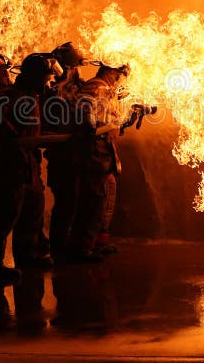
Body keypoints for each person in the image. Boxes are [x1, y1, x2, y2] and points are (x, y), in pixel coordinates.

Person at [0, 53, 59, 280]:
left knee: (33, 211)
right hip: (6, 169)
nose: (46, 82)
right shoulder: (9, 97)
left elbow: (33, 134)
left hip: (27, 168)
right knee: (2, 216)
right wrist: (8, 136)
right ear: (32, 76)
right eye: (44, 77)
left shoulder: (32, 98)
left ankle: (28, 256)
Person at [67, 63, 129, 262]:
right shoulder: (95, 87)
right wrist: (91, 124)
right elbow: (86, 117)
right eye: (120, 74)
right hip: (94, 154)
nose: (121, 79)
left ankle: (97, 243)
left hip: (105, 154)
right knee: (93, 201)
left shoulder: (108, 91)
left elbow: (109, 120)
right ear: (111, 70)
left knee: (105, 199)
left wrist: (125, 117)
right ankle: (81, 248)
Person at [42, 42, 86, 260]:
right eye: (74, 67)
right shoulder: (52, 95)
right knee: (66, 204)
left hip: (75, 155)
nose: (76, 72)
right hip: (62, 158)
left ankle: (69, 246)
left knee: (74, 202)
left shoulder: (74, 90)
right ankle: (59, 249)